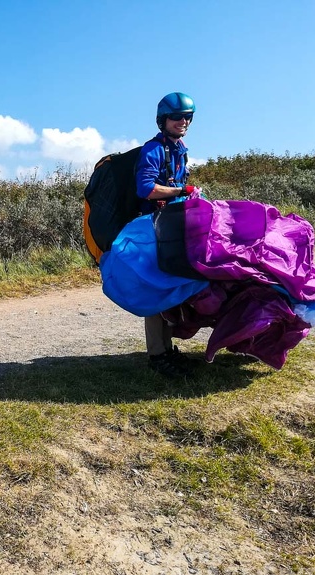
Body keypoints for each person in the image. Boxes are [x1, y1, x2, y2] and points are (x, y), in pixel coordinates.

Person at [134, 92, 199, 378]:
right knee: (156, 289)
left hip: (173, 225)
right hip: (153, 228)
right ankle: (157, 355)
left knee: (171, 287)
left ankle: (167, 348)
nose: (182, 121)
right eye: (176, 117)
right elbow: (145, 188)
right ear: (164, 120)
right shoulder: (153, 149)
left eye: (187, 117)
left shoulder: (179, 148)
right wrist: (180, 191)